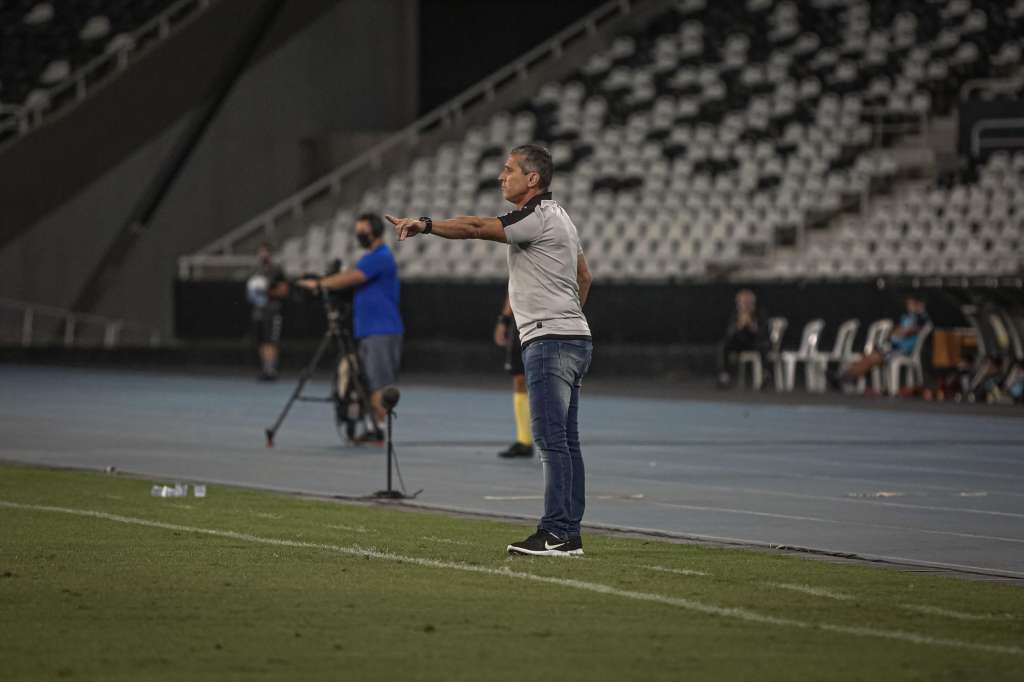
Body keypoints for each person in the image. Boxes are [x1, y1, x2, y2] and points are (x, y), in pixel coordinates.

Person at [387, 144, 593, 556]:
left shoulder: (534, 216)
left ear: (532, 179)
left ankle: (557, 533)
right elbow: (584, 276)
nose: (502, 177)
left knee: (552, 441)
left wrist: (426, 224)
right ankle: (567, 531)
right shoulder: (562, 218)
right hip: (573, 336)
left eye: (509, 170)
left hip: (549, 340)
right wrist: (567, 315)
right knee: (566, 442)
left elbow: (477, 227)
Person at [298, 213, 404, 443]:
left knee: (379, 384)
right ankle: (373, 426)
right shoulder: (371, 257)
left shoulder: (380, 256)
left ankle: (381, 431)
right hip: (368, 330)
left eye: (362, 230)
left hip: (381, 329)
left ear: (375, 231)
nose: (359, 235)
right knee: (366, 382)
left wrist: (319, 284)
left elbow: (352, 277)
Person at [830, 294, 930, 390]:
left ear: (918, 304)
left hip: (903, 350)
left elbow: (907, 332)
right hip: (893, 346)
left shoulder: (921, 318)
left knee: (872, 358)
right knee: (867, 356)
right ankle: (845, 376)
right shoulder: (907, 316)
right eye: (908, 304)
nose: (909, 306)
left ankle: (844, 377)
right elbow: (894, 333)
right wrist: (899, 332)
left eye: (911, 304)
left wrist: (903, 331)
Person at [494, 295, 533, 458]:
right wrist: (504, 320)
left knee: (549, 379)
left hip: (547, 320)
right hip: (522, 322)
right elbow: (513, 287)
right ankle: (524, 441)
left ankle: (555, 440)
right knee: (519, 378)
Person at [246, 242, 289, 381]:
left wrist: (267, 291)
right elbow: (251, 292)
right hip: (259, 310)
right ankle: (265, 368)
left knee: (271, 340)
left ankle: (271, 369)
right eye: (261, 252)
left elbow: (284, 291)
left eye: (265, 251)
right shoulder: (256, 270)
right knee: (261, 340)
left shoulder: (276, 270)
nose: (263, 254)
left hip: (272, 310)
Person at [717, 289, 769, 388]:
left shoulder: (760, 313)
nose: (745, 305)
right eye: (742, 302)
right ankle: (724, 375)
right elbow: (729, 334)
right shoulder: (735, 314)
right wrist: (739, 325)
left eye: (747, 302)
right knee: (723, 345)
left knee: (764, 346)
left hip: (755, 343)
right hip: (740, 344)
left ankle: (765, 374)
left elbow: (764, 333)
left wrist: (752, 325)